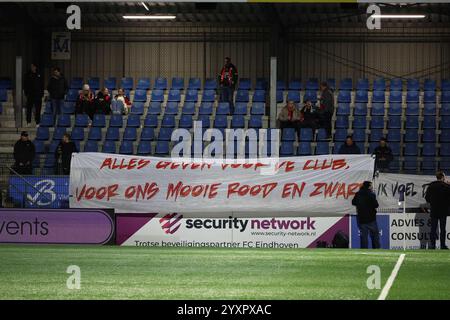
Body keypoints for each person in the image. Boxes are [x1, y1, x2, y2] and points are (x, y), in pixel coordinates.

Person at [425, 171, 450, 250]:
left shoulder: (431, 186)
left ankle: (432, 245)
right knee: (443, 229)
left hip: (434, 210)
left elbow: (427, 198)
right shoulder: (446, 186)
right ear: (442, 177)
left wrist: (433, 202)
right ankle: (443, 245)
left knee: (433, 228)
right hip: (443, 210)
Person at [351, 181, 380, 249]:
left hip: (362, 219)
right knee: (375, 236)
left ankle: (364, 250)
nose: (372, 187)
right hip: (371, 219)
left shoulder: (358, 194)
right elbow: (376, 205)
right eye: (371, 186)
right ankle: (376, 249)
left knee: (364, 237)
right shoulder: (371, 194)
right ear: (369, 186)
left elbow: (353, 202)